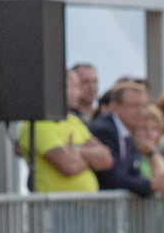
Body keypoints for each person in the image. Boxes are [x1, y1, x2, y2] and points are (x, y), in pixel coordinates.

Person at [15, 62, 110, 194]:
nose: (80, 92)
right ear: (59, 88)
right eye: (76, 87)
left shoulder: (72, 121)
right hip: (57, 209)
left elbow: (106, 158)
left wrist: (78, 153)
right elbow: (68, 166)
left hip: (86, 207)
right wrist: (88, 156)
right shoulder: (38, 125)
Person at [91, 79, 164, 198]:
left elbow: (132, 173)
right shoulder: (104, 130)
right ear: (116, 107)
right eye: (134, 106)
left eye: (144, 106)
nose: (141, 112)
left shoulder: (128, 131)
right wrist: (151, 184)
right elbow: (111, 178)